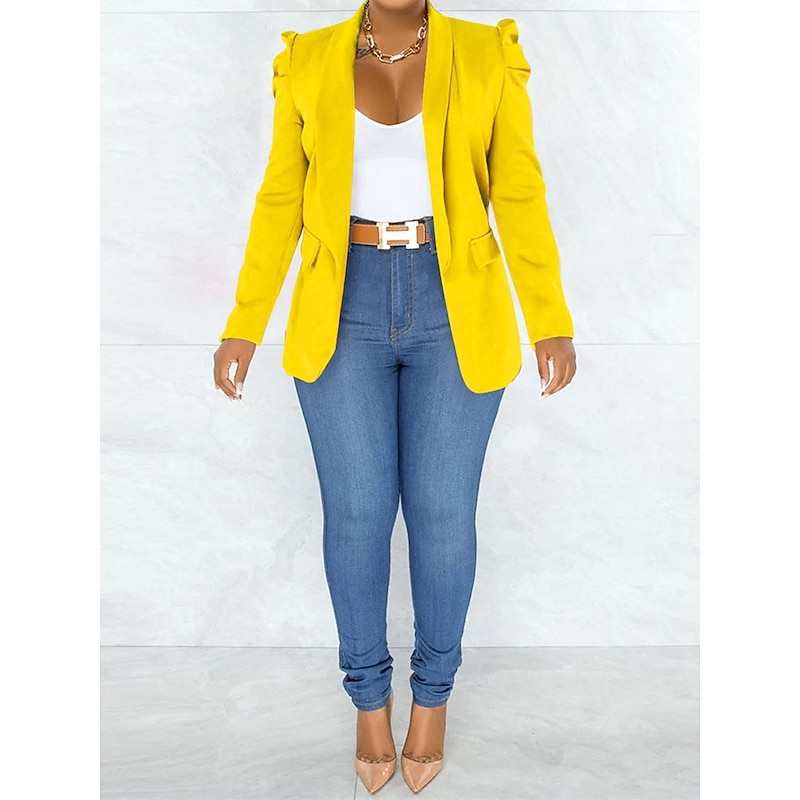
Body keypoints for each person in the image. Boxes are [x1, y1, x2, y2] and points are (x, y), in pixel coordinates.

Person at [212, 0, 577, 793]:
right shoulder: (308, 58)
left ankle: (433, 701)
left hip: (456, 305)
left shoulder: (487, 53)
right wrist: (244, 323)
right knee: (357, 515)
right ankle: (369, 705)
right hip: (340, 304)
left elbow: (518, 189)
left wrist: (549, 318)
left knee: (443, 515)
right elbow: (280, 197)